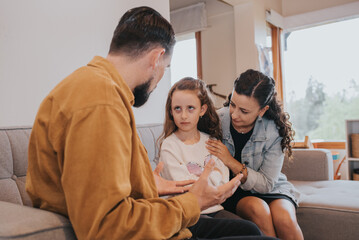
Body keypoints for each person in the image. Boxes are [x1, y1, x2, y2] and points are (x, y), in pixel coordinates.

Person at [25, 7, 269, 240]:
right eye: (166, 68)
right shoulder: (101, 101)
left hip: (161, 227)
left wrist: (146, 184)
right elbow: (106, 227)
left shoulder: (93, 88)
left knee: (251, 232)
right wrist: (191, 203)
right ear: (157, 58)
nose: (161, 77)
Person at [206, 69, 304, 239]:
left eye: (244, 111)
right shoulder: (217, 121)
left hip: (270, 186)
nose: (234, 114)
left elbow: (266, 184)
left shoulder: (274, 130)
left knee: (285, 219)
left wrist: (231, 161)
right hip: (235, 190)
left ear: (262, 110)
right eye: (233, 104)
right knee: (259, 209)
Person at [158, 77, 235, 219]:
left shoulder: (211, 142)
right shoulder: (169, 146)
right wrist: (214, 173)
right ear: (171, 111)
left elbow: (224, 183)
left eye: (190, 108)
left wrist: (200, 179)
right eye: (177, 109)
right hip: (187, 213)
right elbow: (184, 188)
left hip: (215, 209)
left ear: (202, 109)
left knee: (252, 229)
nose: (184, 115)